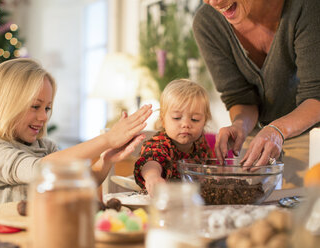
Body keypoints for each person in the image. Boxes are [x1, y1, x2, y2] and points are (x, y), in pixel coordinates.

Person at [0, 58, 152, 207]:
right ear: (7, 105)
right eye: (35, 106)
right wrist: (107, 139)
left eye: (47, 108)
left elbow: (77, 184)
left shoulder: (46, 146)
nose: (44, 116)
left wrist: (104, 161)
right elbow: (41, 170)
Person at [193, 0, 320, 187]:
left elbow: (316, 94)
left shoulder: (306, 6)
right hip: (257, 143)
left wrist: (278, 131)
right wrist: (240, 126)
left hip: (310, 139)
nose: (215, 2)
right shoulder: (208, 23)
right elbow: (239, 96)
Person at [134, 79, 213, 196]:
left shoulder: (201, 143)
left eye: (195, 119)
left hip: (191, 203)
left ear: (204, 121)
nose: (186, 124)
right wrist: (152, 176)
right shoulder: (159, 143)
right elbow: (151, 160)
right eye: (177, 117)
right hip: (162, 202)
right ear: (163, 120)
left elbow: (209, 169)